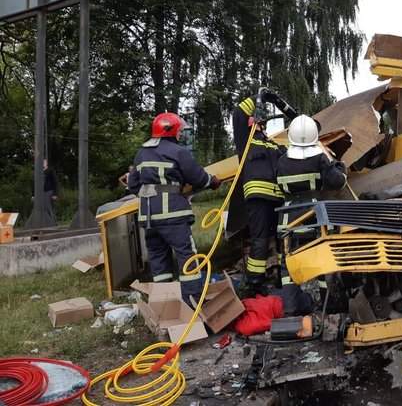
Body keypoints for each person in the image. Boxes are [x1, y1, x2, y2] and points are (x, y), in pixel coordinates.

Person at [128, 112, 220, 305]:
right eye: (179, 131)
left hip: (149, 218)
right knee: (187, 256)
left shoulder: (141, 153)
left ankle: (166, 305)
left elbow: (133, 185)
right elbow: (198, 177)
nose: (180, 134)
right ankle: (193, 303)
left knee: (158, 258)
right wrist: (213, 181)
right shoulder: (178, 152)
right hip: (174, 216)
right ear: (172, 131)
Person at [276, 115, 348, 315]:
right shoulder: (319, 157)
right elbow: (337, 182)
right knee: (320, 260)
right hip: (313, 217)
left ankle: (291, 308)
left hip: (287, 219)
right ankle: (327, 306)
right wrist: (339, 167)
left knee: (288, 265)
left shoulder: (282, 160)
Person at [232, 89, 297, 296]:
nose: (262, 124)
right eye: (260, 121)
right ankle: (254, 283)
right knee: (260, 240)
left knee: (281, 238)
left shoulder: (274, 145)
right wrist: (264, 98)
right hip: (258, 198)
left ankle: (281, 276)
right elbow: (239, 112)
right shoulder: (246, 140)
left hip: (277, 198)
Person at [43, 158, 58, 225]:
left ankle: (53, 222)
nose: (43, 163)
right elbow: (35, 183)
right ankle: (45, 223)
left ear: (46, 163)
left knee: (49, 208)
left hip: (49, 191)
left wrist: (55, 194)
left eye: (44, 162)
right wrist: (33, 195)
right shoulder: (39, 171)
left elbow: (55, 182)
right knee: (43, 208)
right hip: (41, 192)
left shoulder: (50, 171)